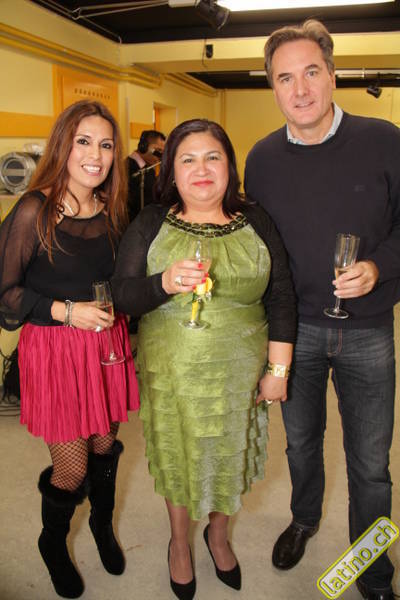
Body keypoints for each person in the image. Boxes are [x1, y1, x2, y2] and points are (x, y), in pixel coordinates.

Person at [245, 19, 400, 600]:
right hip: (295, 332)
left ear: (333, 76)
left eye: (311, 72)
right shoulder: (262, 160)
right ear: (273, 88)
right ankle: (304, 519)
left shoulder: (384, 141)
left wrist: (379, 267)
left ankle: (374, 571)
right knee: (302, 445)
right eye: (285, 78)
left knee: (371, 465)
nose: (301, 88)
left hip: (369, 332)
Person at [112, 118, 296, 599]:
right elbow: (122, 294)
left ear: (229, 166)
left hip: (239, 373)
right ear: (171, 171)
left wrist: (277, 370)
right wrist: (164, 283)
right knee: (179, 456)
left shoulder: (256, 220)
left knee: (226, 457)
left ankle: (218, 535)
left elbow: (282, 296)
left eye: (213, 157)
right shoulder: (151, 222)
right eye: (187, 159)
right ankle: (179, 542)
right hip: (172, 371)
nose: (201, 169)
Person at [0, 100, 140, 599]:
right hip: (55, 351)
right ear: (63, 145)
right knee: (72, 466)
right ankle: (52, 541)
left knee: (104, 448)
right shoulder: (34, 209)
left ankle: (101, 523)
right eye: (84, 142)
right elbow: (5, 294)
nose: (95, 156)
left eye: (105, 145)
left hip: (105, 348)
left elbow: (120, 281)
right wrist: (66, 311)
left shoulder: (111, 208)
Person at [126, 129, 166, 221]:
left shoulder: (149, 170)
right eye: (158, 150)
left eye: (162, 152)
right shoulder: (126, 168)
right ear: (143, 147)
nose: (160, 156)